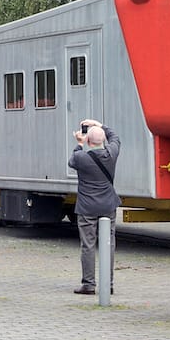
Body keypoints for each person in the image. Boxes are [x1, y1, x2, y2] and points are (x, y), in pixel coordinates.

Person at [67, 119, 121, 295]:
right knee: (108, 243)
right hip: (108, 205)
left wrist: (79, 143)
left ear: (88, 141)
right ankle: (108, 283)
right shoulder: (111, 154)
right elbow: (115, 137)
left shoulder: (81, 157)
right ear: (103, 140)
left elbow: (71, 161)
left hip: (87, 207)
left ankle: (89, 284)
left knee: (88, 245)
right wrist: (99, 124)